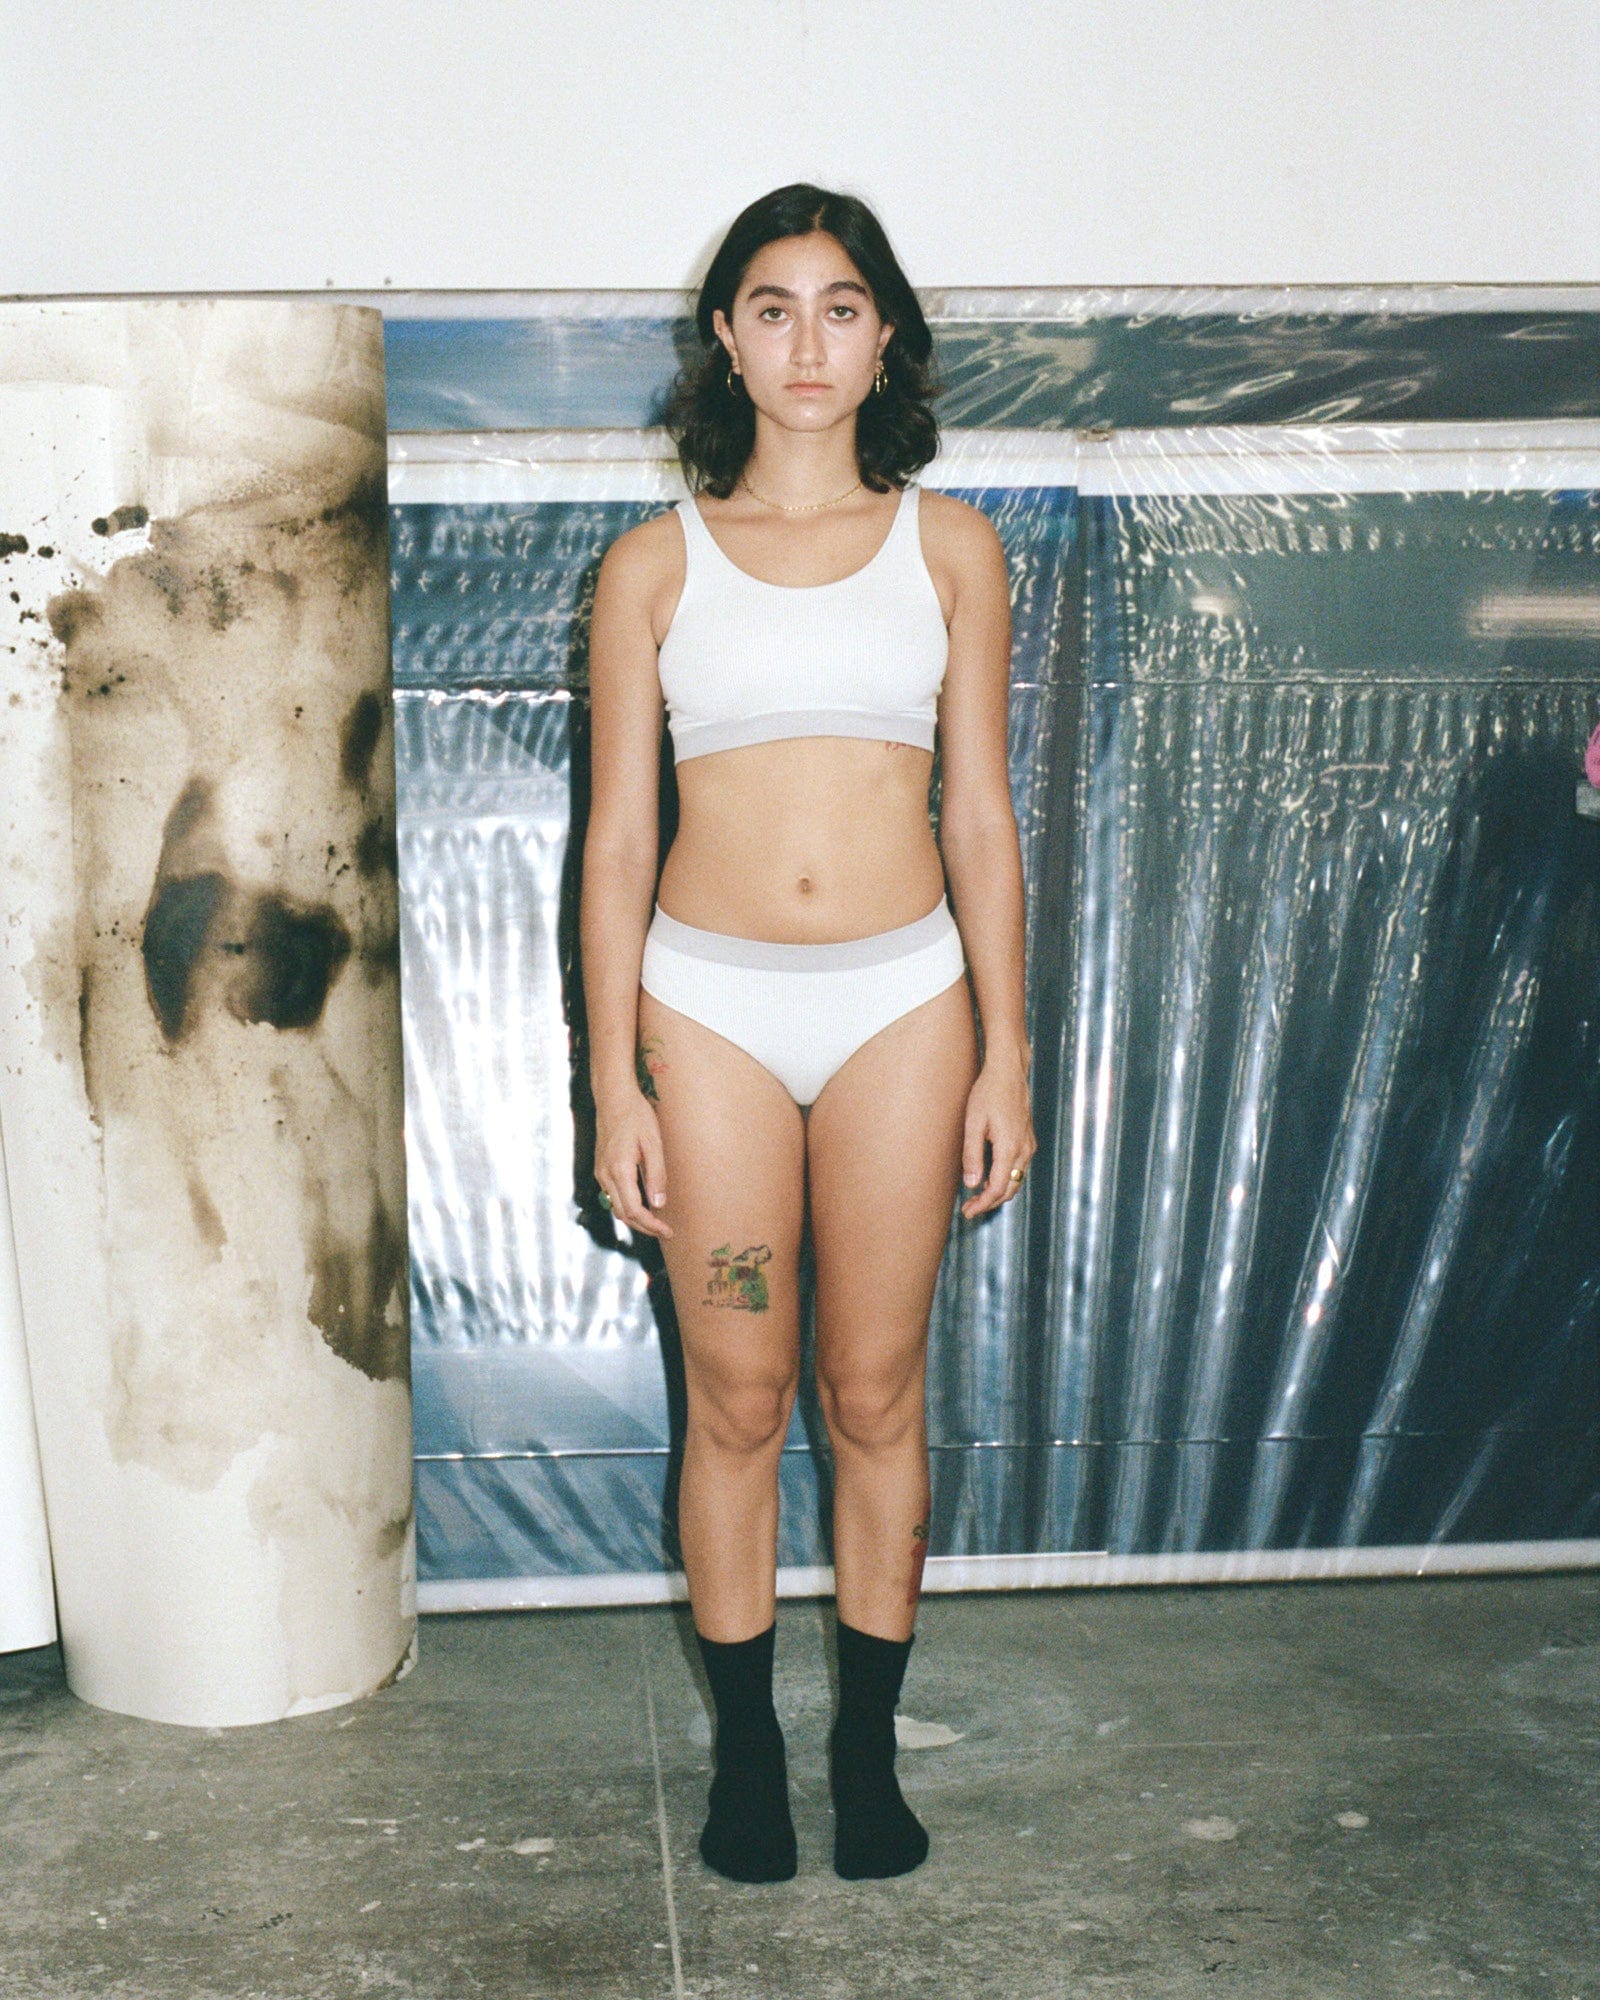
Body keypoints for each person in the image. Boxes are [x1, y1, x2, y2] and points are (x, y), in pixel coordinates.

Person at [579, 183, 1035, 1883]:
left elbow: (979, 814)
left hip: (902, 1007)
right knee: (740, 1393)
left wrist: (1008, 1052)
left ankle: (866, 1755)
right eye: (772, 308)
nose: (808, 344)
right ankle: (751, 1759)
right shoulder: (651, 566)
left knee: (872, 1388)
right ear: (726, 338)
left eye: (842, 308)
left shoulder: (953, 549)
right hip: (705, 1013)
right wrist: (610, 1077)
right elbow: (616, 843)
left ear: (885, 336)